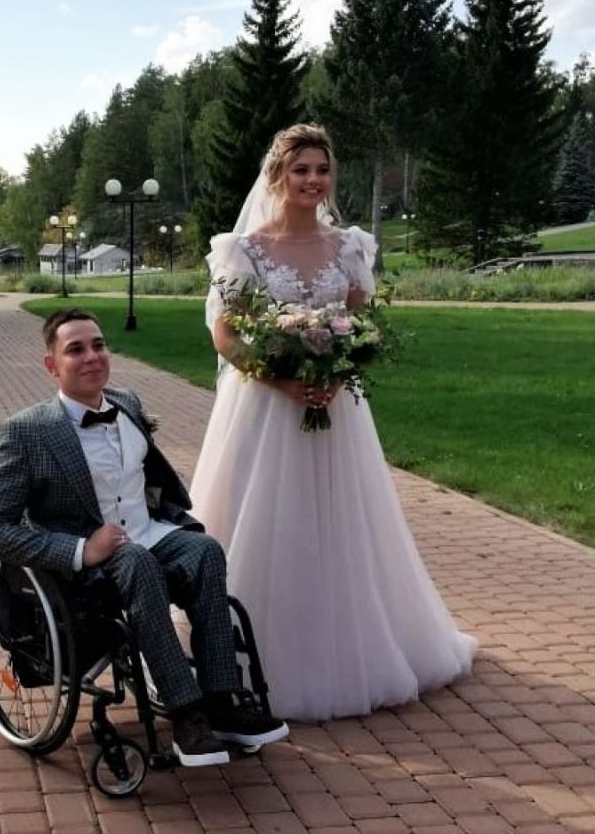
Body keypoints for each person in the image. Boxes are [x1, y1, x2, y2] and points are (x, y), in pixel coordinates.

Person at [190, 124, 478, 721]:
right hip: (266, 407)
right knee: (269, 517)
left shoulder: (349, 246)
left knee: (343, 520)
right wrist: (281, 380)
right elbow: (225, 335)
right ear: (278, 175)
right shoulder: (244, 250)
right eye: (301, 170)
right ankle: (251, 652)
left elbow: (361, 324)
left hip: (336, 407)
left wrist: (337, 374)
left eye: (322, 170)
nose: (313, 180)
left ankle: (356, 641)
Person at [0, 307, 288, 766]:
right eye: (75, 349)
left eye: (98, 345)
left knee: (204, 550)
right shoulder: (27, 432)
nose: (91, 356)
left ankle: (222, 700)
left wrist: (169, 511)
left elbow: (146, 475)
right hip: (91, 560)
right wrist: (81, 549)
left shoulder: (128, 404)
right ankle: (186, 714)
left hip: (147, 534)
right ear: (52, 365)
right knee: (137, 564)